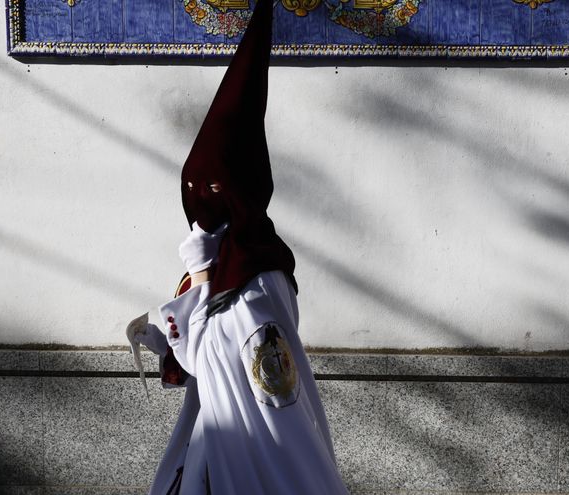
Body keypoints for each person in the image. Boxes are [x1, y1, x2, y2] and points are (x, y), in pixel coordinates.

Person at [132, 1, 350, 492]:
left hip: (252, 463)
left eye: (206, 190)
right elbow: (204, 364)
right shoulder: (225, 261)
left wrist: (201, 289)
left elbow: (248, 381)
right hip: (213, 446)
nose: (195, 206)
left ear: (231, 192)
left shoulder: (254, 280)